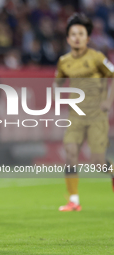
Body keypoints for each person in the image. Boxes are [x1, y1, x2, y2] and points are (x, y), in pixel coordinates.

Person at [54, 13, 114, 212]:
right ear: (68, 38)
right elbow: (58, 82)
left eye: (81, 33)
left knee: (98, 163)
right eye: (73, 34)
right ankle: (74, 201)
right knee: (70, 153)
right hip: (76, 116)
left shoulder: (97, 57)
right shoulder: (64, 61)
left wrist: (108, 100)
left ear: (88, 38)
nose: (77, 37)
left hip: (97, 115)